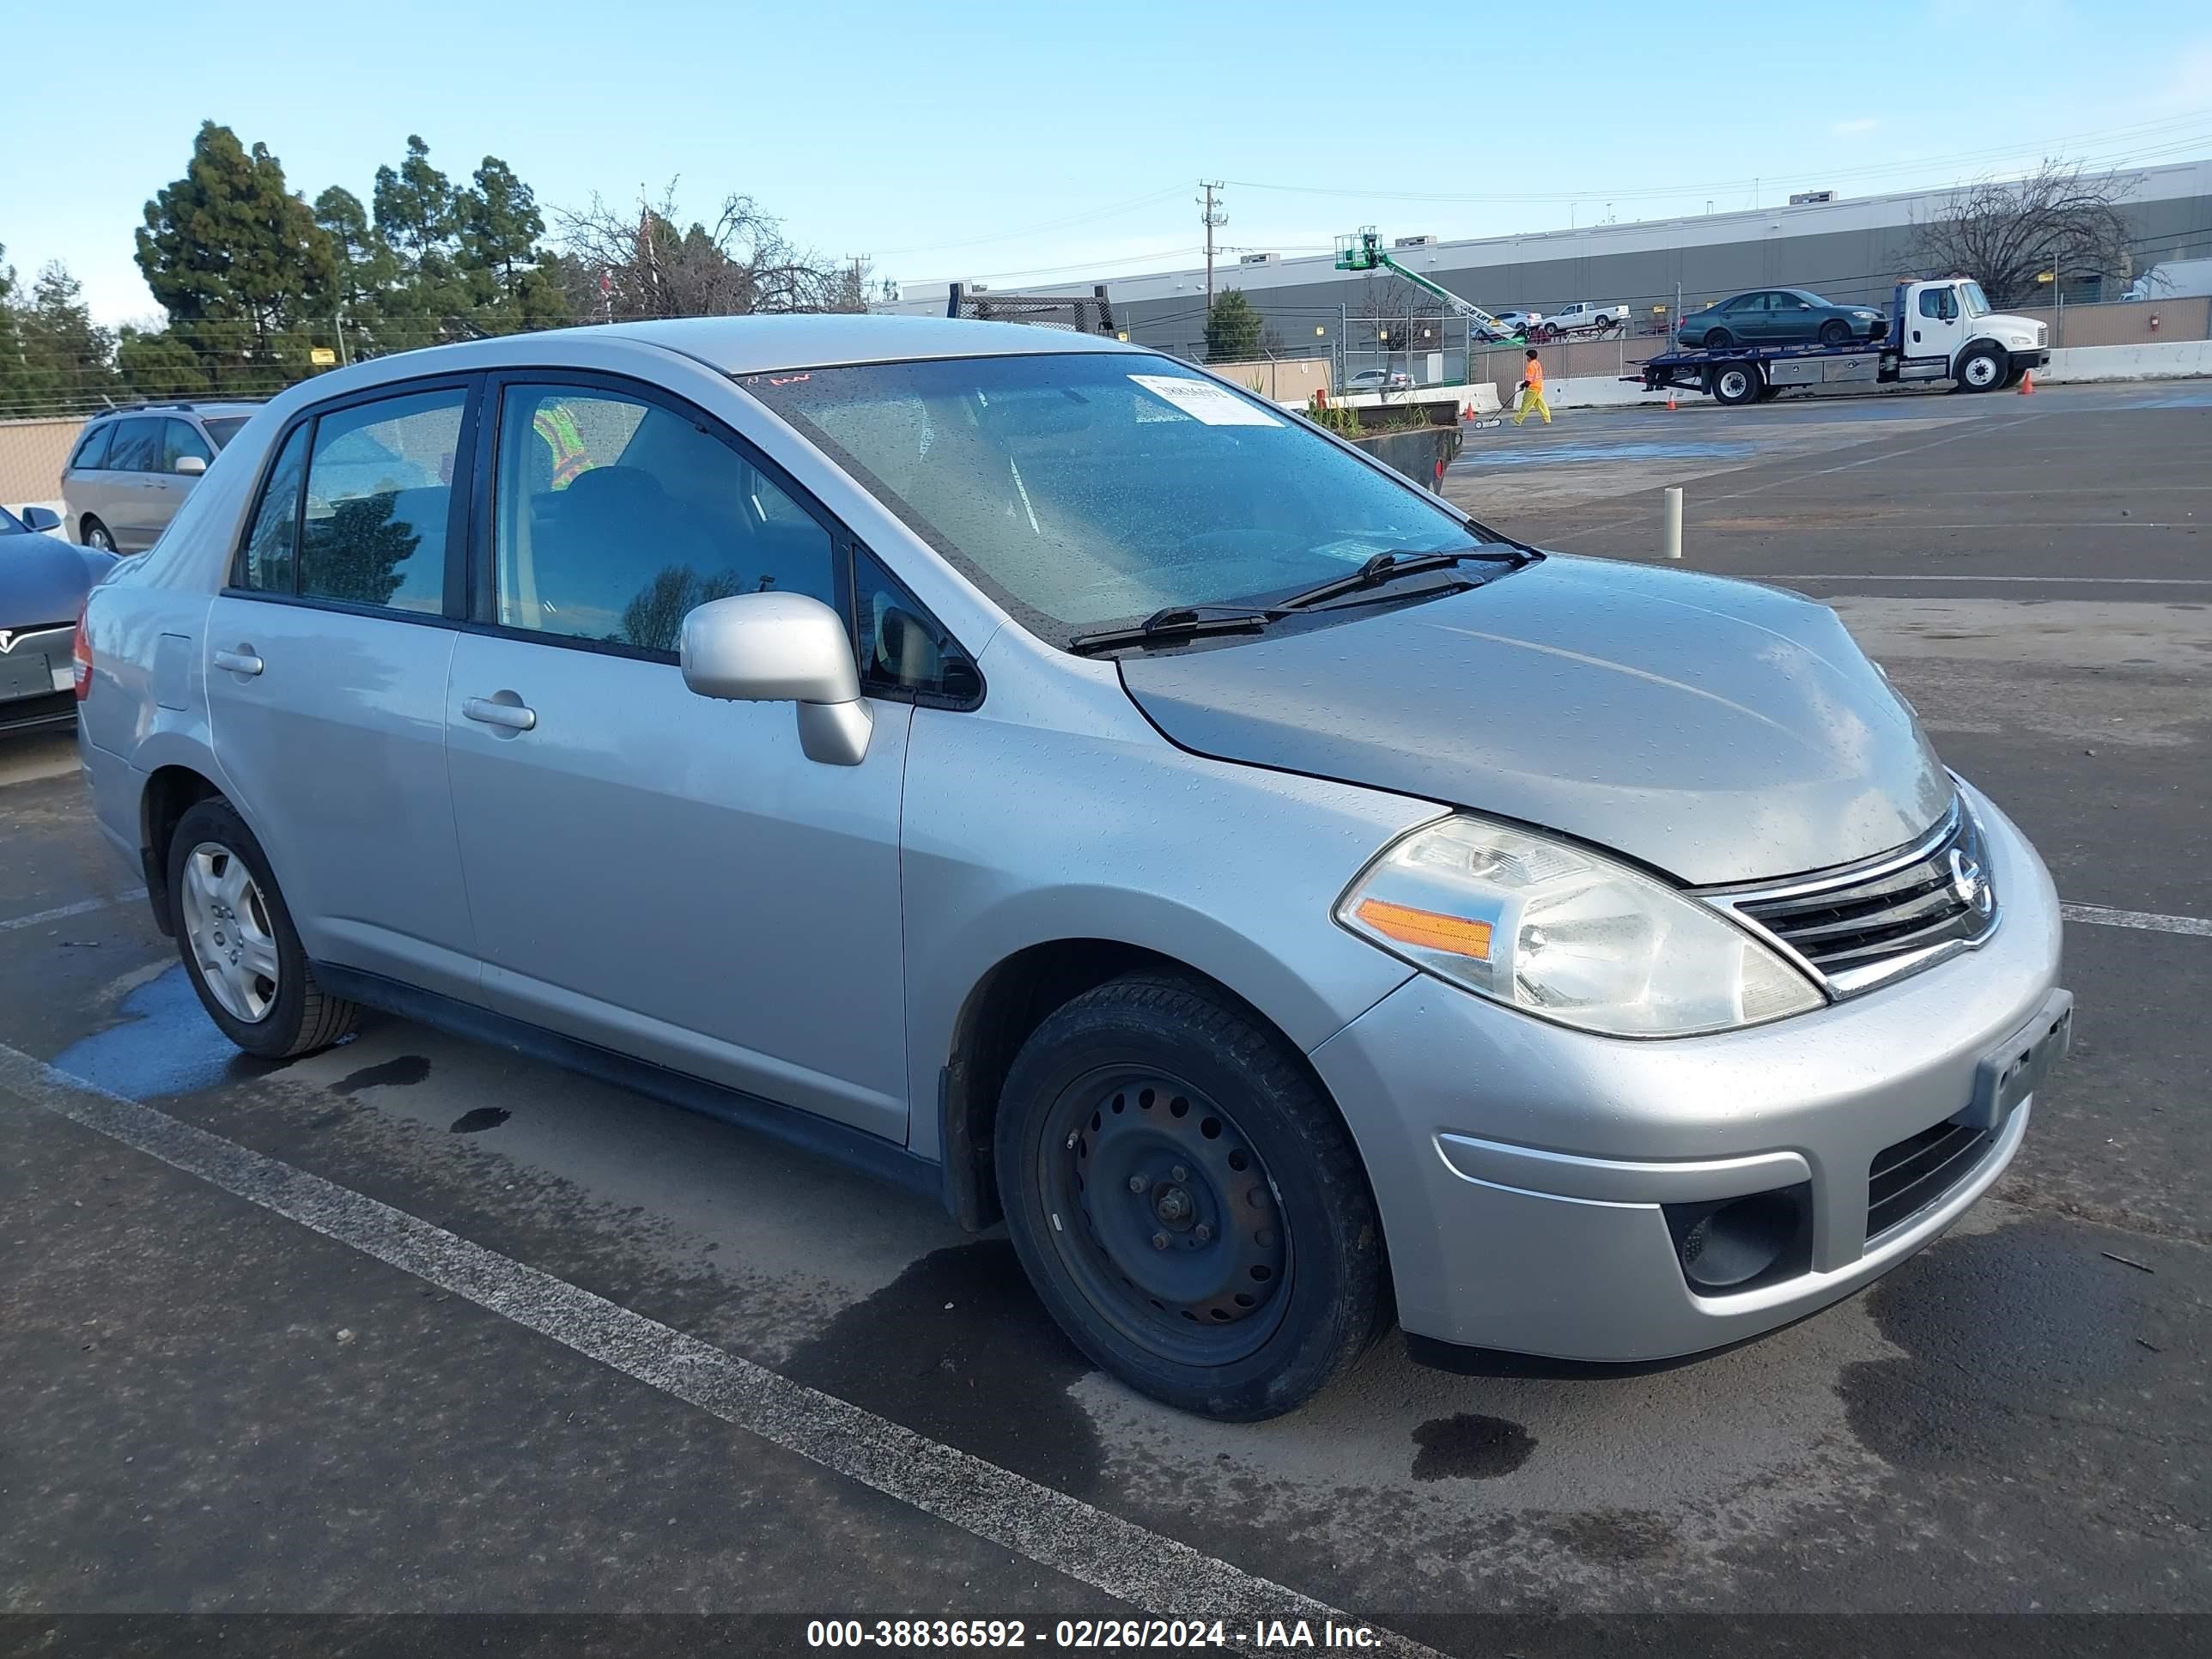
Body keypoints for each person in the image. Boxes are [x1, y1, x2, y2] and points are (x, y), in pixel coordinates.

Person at [1513, 348, 1552, 427]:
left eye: (1527, 356)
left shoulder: (1530, 366)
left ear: (1529, 357)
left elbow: (1529, 379)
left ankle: (1518, 420)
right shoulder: (1537, 364)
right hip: (1538, 386)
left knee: (1526, 404)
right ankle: (1547, 418)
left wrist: (1524, 385)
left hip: (1532, 388)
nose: (1526, 358)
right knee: (1540, 404)